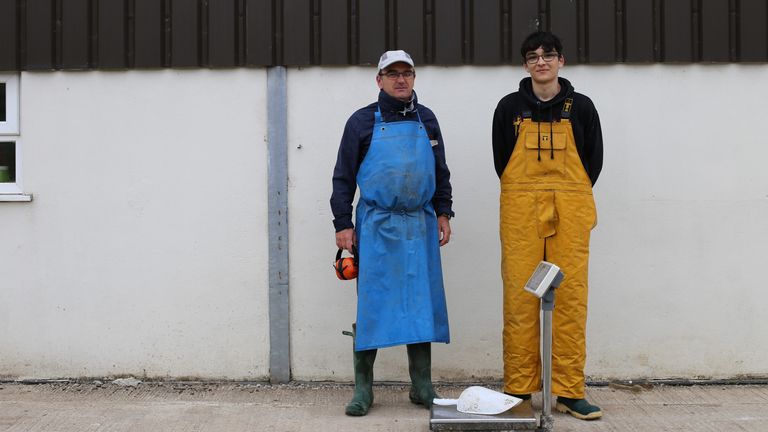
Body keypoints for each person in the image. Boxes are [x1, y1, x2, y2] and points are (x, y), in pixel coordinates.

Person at [330, 50, 455, 416]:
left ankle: (422, 386)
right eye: (392, 73)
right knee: (373, 305)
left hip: (419, 224)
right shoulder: (361, 122)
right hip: (376, 226)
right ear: (379, 79)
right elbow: (343, 176)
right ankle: (363, 389)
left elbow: (440, 170)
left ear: (414, 77)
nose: (400, 79)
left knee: (420, 304)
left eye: (407, 73)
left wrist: (444, 211)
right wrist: (342, 224)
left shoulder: (427, 120)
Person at [491, 31, 604, 420]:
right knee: (521, 299)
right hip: (521, 209)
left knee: (570, 298)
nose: (541, 62)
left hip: (570, 206)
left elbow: (593, 163)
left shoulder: (583, 108)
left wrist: (565, 192)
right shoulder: (508, 108)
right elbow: (501, 160)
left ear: (561, 60)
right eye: (533, 56)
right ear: (525, 64)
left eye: (548, 55)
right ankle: (519, 390)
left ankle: (569, 390)